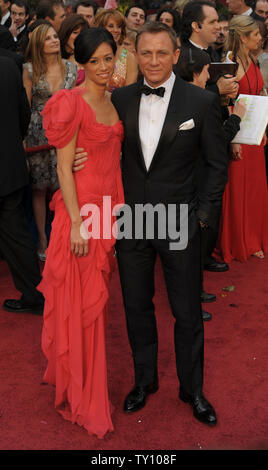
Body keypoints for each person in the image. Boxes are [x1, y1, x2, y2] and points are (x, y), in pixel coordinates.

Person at [108, 21, 230, 426]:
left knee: (188, 311)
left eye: (163, 53)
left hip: (181, 221)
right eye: (146, 53)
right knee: (136, 306)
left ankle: (192, 389)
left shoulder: (199, 101)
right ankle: (145, 381)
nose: (154, 61)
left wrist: (204, 217)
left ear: (176, 55)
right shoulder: (121, 98)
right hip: (132, 222)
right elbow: (104, 151)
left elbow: (216, 163)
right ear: (136, 56)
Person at [39, 27, 124, 438]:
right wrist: (75, 223)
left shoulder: (113, 99)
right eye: (95, 61)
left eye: (109, 58)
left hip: (109, 211)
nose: (104, 67)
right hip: (82, 216)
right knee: (86, 305)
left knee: (99, 302)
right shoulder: (71, 104)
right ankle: (85, 392)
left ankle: (82, 377)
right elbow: (62, 167)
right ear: (81, 64)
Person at [176, 46, 246, 319]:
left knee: (195, 245)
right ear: (196, 72)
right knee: (194, 244)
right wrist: (237, 115)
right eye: (207, 70)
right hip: (200, 180)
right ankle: (191, 299)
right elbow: (217, 142)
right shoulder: (202, 101)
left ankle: (195, 291)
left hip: (193, 178)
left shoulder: (190, 97)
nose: (210, 76)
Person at [180, 1, 239, 277]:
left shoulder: (213, 52)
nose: (219, 26)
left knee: (212, 202)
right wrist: (218, 89)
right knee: (199, 207)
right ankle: (193, 267)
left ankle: (203, 258)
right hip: (192, 143)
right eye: (213, 21)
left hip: (215, 135)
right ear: (196, 25)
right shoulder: (182, 55)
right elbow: (186, 99)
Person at [23, 23, 77, 261]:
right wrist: (23, 139)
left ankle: (62, 236)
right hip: (37, 134)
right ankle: (43, 241)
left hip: (65, 133)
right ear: (38, 44)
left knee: (63, 187)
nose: (54, 41)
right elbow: (25, 107)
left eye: (56, 37)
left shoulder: (72, 68)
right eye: (48, 39)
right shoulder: (29, 70)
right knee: (39, 190)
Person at [216, 15, 268, 262]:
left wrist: (264, 129)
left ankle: (255, 238)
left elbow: (259, 95)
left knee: (256, 190)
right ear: (244, 37)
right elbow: (226, 103)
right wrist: (233, 139)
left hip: (255, 135)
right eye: (256, 34)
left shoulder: (254, 60)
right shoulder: (231, 63)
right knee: (238, 190)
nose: (260, 38)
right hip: (238, 135)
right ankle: (240, 242)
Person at [0, 56, 44, 316]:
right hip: (10, 169)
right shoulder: (7, 66)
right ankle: (34, 295)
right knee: (17, 238)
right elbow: (23, 115)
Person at [94, 9, 138, 91]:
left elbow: (129, 92)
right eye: (111, 26)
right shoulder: (92, 53)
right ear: (100, 28)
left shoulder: (129, 57)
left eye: (119, 26)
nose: (116, 30)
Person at [58, 13, 89, 85]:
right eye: (75, 32)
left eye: (82, 33)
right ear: (65, 33)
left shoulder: (90, 58)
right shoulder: (55, 59)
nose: (79, 37)